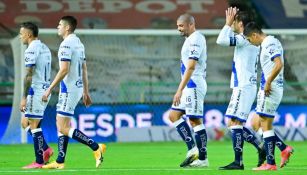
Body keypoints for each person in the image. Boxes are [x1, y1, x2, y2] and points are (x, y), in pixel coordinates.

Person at [41, 16, 106, 169]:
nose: (57, 27)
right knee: (63, 125)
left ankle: (96, 147)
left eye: (59, 25)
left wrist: (49, 89)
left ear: (67, 28)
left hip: (68, 90)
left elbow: (64, 70)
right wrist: (86, 91)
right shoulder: (79, 44)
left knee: (62, 127)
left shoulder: (65, 45)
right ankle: (60, 161)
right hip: (76, 89)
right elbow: (84, 69)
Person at [216, 7, 266, 170]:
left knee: (233, 122)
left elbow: (221, 40)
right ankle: (258, 148)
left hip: (243, 87)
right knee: (233, 123)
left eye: (235, 22)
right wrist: (231, 25)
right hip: (245, 86)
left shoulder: (245, 39)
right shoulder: (249, 39)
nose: (233, 24)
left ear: (241, 23)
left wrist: (227, 23)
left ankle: (240, 161)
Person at [244, 22, 292, 170]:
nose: (250, 43)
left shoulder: (269, 43)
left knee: (265, 124)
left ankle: (270, 163)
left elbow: (279, 64)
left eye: (249, 39)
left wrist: (268, 82)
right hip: (270, 88)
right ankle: (283, 149)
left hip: (270, 88)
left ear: (254, 35)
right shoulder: (271, 41)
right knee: (256, 121)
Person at [169, 13, 208, 168]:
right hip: (188, 86)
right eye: (178, 26)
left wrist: (179, 89)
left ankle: (203, 158)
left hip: (194, 84)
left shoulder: (197, 39)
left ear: (191, 24)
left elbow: (191, 66)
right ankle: (193, 149)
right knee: (174, 115)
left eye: (181, 26)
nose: (179, 29)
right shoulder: (189, 40)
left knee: (194, 120)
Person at [19, 22, 54, 169]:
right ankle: (46, 149)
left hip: (36, 91)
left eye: (21, 34)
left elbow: (28, 75)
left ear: (28, 34)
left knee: (33, 125)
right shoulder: (44, 47)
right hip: (45, 90)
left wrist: (24, 97)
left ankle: (39, 161)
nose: (20, 36)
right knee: (25, 123)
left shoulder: (31, 49)